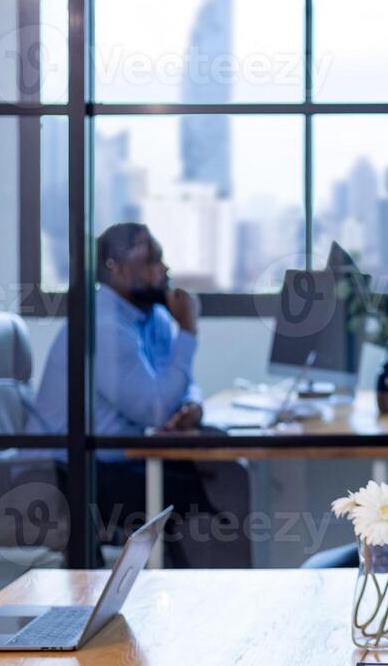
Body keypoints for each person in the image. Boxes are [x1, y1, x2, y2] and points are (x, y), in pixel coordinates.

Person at [28, 222, 251, 568]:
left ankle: (198, 590)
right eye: (151, 260)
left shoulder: (151, 315)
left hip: (117, 458)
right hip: (75, 472)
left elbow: (176, 382)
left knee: (222, 473)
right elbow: (156, 408)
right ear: (115, 268)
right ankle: (199, 591)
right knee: (201, 491)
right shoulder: (104, 327)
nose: (164, 270)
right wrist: (188, 331)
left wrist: (192, 404)